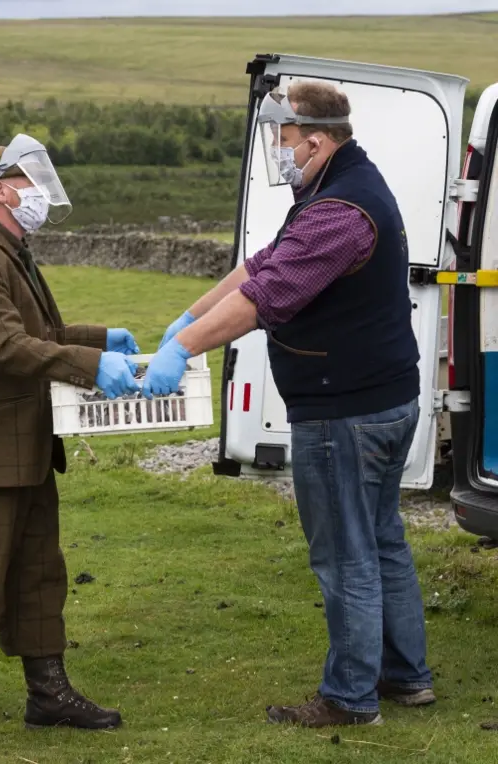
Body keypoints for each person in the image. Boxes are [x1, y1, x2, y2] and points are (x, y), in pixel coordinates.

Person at [143, 82, 435, 728]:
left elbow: (266, 295)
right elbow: (262, 263)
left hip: (344, 412)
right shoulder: (337, 188)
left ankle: (351, 697)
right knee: (382, 540)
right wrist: (185, 317)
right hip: (381, 400)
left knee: (345, 554)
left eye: (281, 138)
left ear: (316, 139)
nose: (277, 151)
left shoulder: (339, 211)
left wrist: (184, 349)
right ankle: (405, 676)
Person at [0, 134, 140, 753]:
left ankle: (48, 693)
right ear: (2, 188)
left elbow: (41, 331)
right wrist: (92, 364)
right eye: (32, 183)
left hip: (23, 443)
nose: (41, 194)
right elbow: (7, 348)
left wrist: (102, 336)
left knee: (39, 570)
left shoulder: (10, 249)